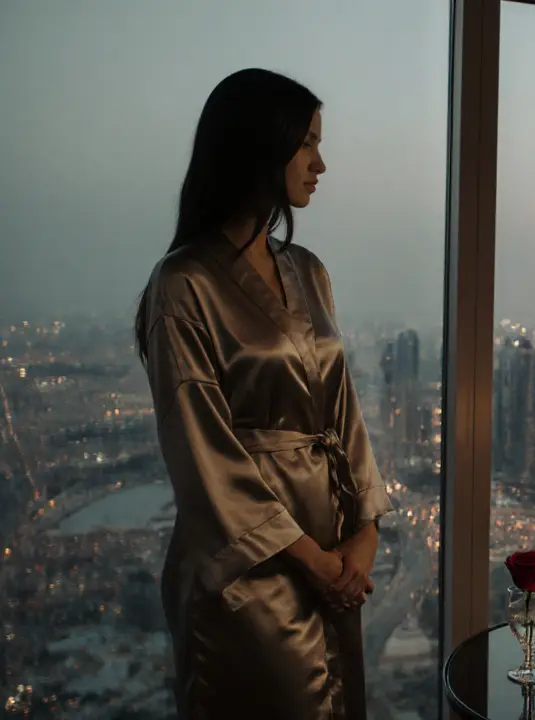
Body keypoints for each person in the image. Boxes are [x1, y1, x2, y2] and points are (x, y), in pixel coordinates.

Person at [135, 69, 392, 719]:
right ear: (259, 145)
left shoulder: (309, 272)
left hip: (332, 560)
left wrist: (363, 535)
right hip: (246, 575)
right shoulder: (184, 286)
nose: (321, 163)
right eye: (307, 143)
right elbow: (202, 455)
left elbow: (344, 415)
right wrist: (311, 560)